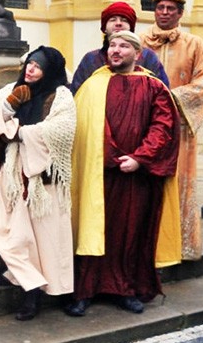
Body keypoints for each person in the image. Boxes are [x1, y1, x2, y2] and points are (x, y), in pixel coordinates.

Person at [66, 31, 181, 317]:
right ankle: (85, 290)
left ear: (137, 53)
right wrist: (113, 155)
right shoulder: (92, 86)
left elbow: (163, 127)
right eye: (112, 46)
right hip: (99, 173)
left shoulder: (154, 87)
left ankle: (126, 289)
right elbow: (85, 128)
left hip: (137, 177)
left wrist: (140, 158)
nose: (115, 50)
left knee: (130, 232)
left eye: (123, 46)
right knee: (92, 230)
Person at [0, 46, 76, 321]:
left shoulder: (61, 95)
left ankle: (42, 293)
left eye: (38, 65)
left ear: (51, 70)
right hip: (10, 171)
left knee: (44, 237)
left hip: (42, 177)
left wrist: (18, 131)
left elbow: (62, 130)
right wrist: (9, 106)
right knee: (2, 228)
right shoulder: (12, 88)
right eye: (29, 64)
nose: (31, 69)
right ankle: (24, 277)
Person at [140, 0, 203, 261]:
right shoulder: (139, 43)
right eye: (160, 7)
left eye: (170, 8)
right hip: (145, 128)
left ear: (180, 13)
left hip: (180, 127)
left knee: (179, 181)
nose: (164, 12)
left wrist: (173, 98)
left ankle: (181, 245)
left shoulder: (196, 44)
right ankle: (147, 244)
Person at [69, 2, 169, 94]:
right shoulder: (91, 60)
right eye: (113, 20)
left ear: (131, 28)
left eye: (124, 20)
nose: (118, 23)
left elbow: (163, 94)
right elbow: (78, 94)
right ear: (104, 28)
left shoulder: (148, 57)